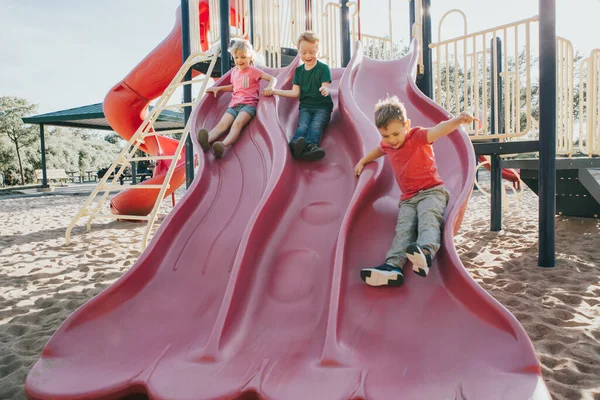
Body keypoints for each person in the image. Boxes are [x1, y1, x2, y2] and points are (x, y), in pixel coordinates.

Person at [354, 95, 477, 287]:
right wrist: (363, 161)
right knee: (403, 230)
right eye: (386, 136)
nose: (391, 140)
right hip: (408, 198)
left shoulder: (417, 136)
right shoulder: (387, 144)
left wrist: (458, 120)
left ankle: (426, 251)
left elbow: (439, 129)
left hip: (432, 191)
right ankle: (393, 266)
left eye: (396, 134)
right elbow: (379, 150)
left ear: (406, 125)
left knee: (428, 217)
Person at [197, 39, 276, 158]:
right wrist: (219, 89)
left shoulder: (253, 71)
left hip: (248, 106)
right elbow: (234, 87)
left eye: (243, 57)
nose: (239, 60)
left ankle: (222, 146)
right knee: (222, 125)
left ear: (250, 57)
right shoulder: (234, 72)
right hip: (233, 105)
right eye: (236, 57)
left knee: (237, 124)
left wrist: (270, 87)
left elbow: (273, 79)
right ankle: (206, 141)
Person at [267, 31, 333, 161]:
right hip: (306, 107)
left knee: (315, 125)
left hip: (322, 107)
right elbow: (294, 92)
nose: (308, 56)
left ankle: (310, 147)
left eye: (312, 52)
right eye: (304, 53)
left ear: (317, 51)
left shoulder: (323, 68)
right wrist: (275, 91)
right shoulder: (299, 71)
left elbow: (326, 85)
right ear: (299, 52)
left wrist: (325, 89)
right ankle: (295, 145)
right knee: (303, 125)